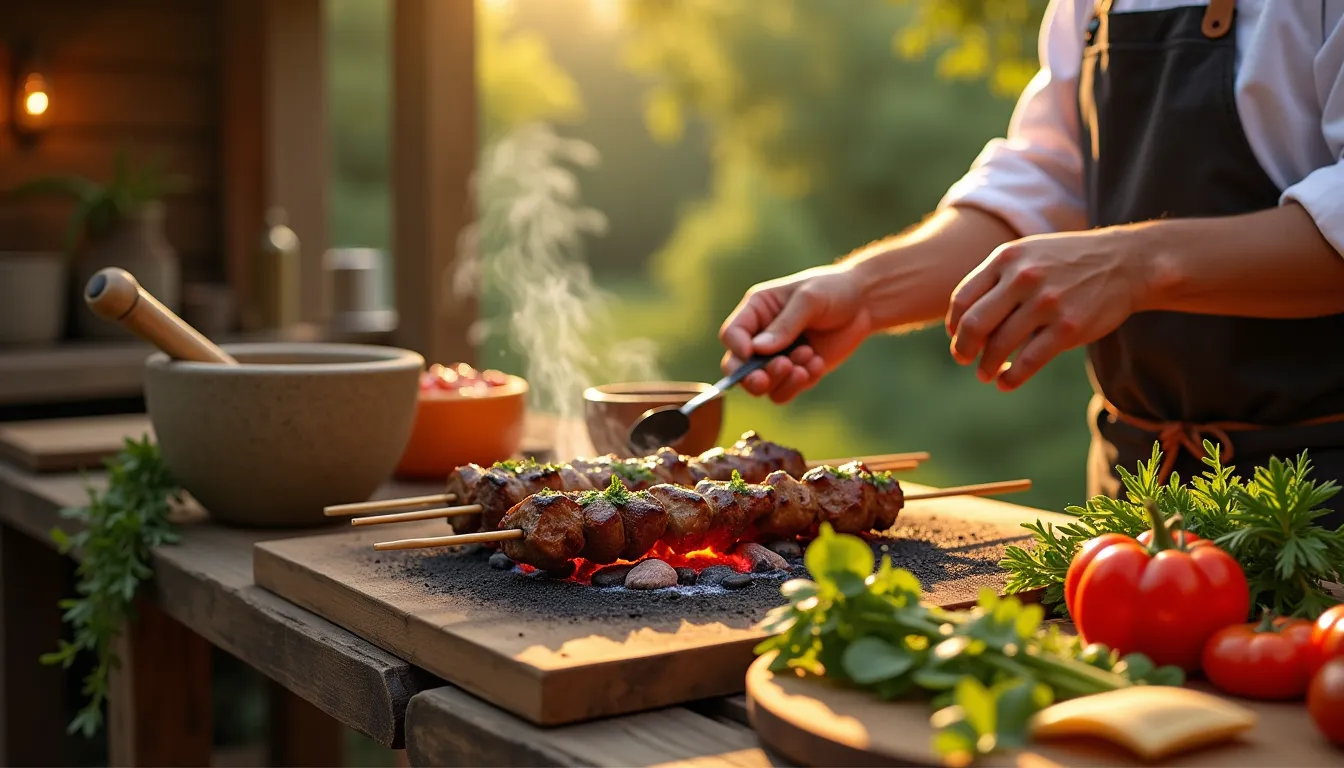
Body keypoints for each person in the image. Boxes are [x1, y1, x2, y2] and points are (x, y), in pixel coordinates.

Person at [717, 0, 1344, 528]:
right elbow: (1044, 182)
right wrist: (863, 290)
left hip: (1319, 504)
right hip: (1135, 504)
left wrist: (1135, 265)